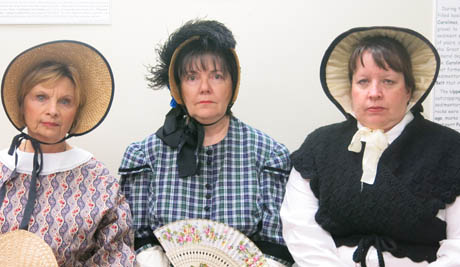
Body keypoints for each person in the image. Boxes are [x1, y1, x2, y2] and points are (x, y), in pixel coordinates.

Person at [280, 26, 460, 267]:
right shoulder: (319, 146)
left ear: (409, 90)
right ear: (350, 89)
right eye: (363, 81)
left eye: (388, 81)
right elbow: (301, 229)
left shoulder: (449, 148)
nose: (375, 93)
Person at [119, 19, 293, 266]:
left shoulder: (268, 154)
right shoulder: (144, 156)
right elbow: (136, 239)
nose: (205, 88)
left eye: (217, 76)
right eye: (191, 77)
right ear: (177, 87)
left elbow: (277, 246)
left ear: (233, 85)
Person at [0, 40, 135, 266]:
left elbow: (116, 257)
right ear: (22, 105)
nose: (52, 111)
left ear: (76, 112)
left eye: (65, 101)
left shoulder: (99, 182)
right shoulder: (3, 168)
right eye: (41, 97)